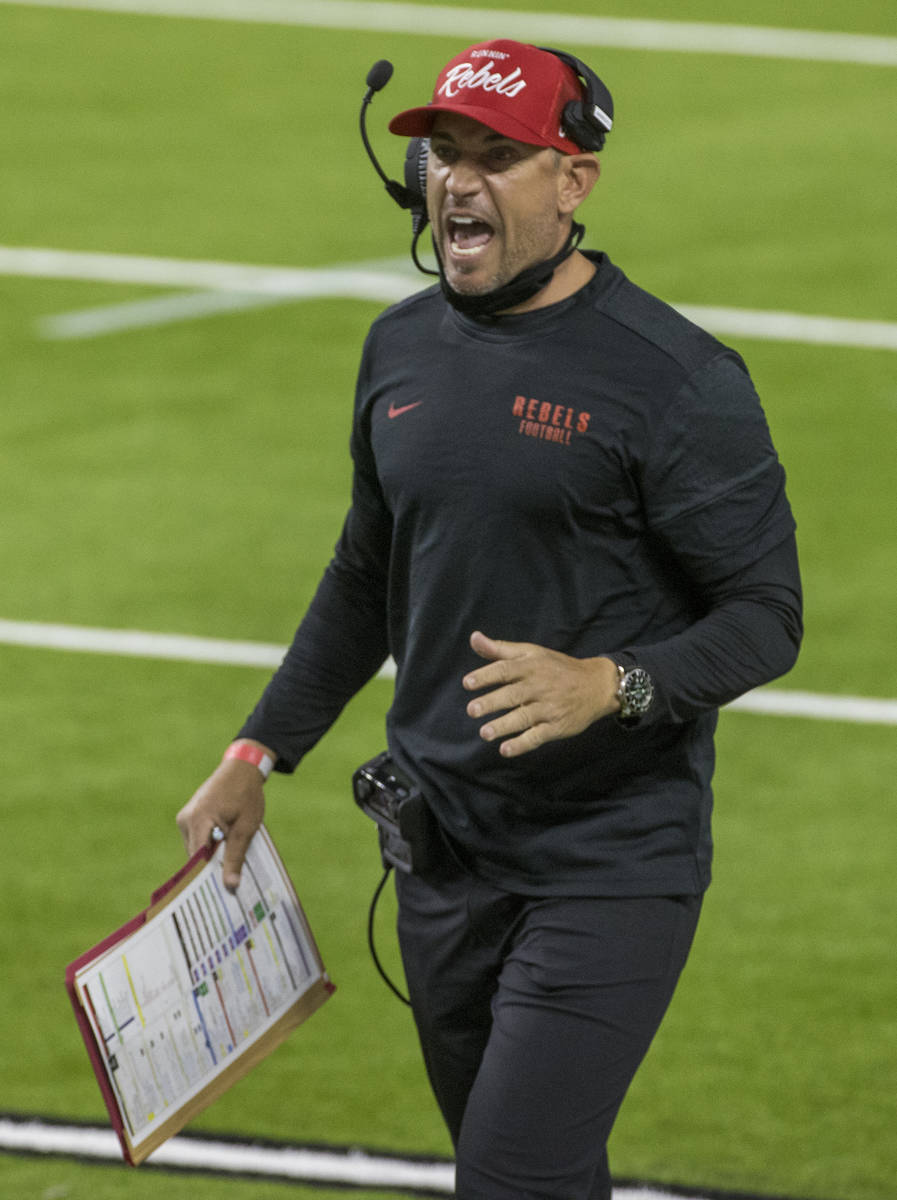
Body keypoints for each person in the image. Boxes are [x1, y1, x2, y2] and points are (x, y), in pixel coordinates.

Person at [177, 39, 802, 1199]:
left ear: (575, 184)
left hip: (606, 864)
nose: (457, 181)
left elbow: (768, 616)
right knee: (529, 1178)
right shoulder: (400, 345)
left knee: (511, 1177)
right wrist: (260, 747)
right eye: (442, 153)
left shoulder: (674, 378)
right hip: (438, 856)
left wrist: (606, 683)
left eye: (498, 155)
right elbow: (371, 568)